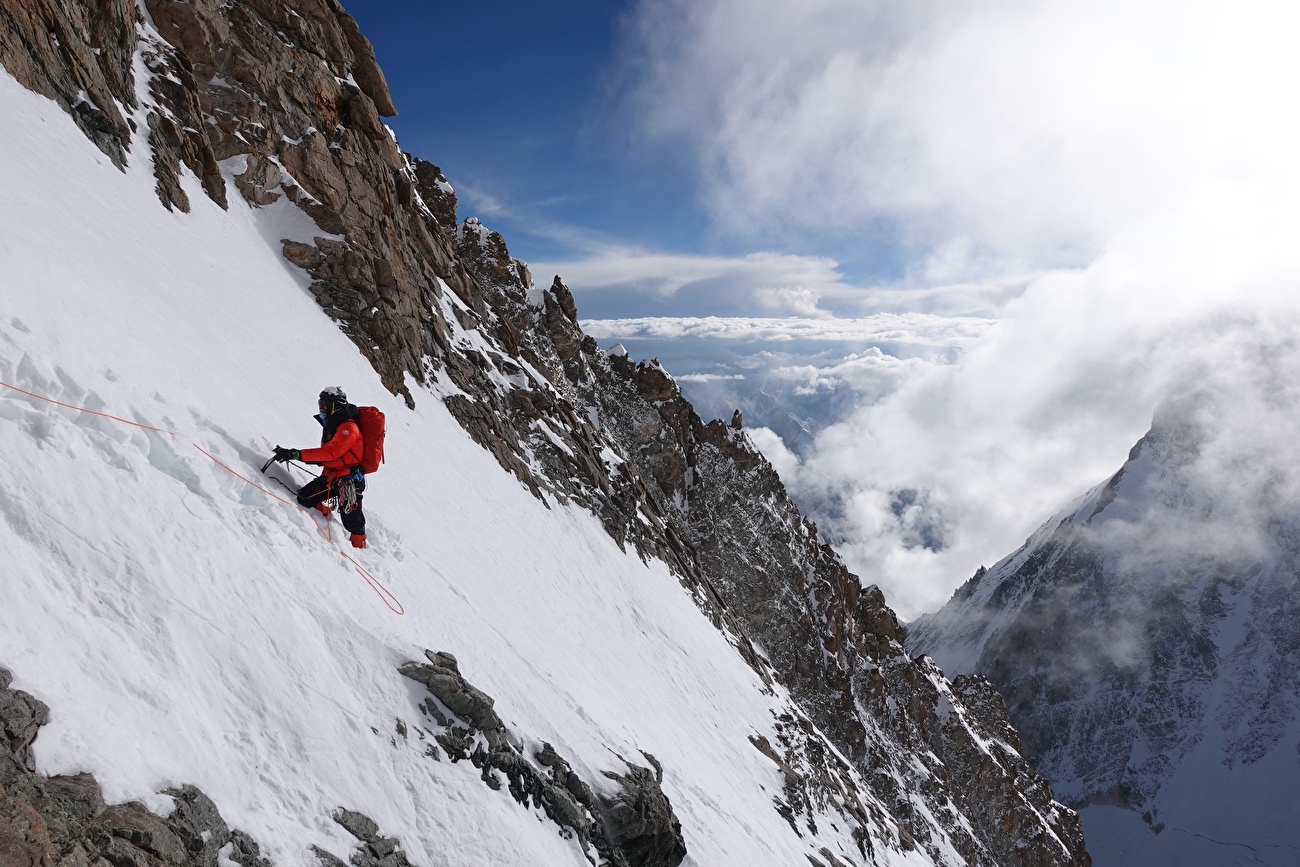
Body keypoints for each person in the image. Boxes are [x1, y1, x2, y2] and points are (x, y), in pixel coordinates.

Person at [272, 386, 368, 549]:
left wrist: (297, 455)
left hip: (349, 481)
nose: (321, 408)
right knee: (305, 497)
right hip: (332, 476)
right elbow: (328, 455)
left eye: (325, 405)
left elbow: (331, 453)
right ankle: (324, 516)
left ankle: (360, 547)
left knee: (352, 520)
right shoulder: (333, 424)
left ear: (335, 406)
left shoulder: (348, 428)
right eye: (320, 404)